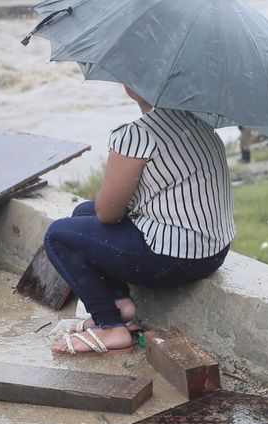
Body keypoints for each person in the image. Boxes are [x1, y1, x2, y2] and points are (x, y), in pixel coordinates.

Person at [44, 86, 236, 354]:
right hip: (213, 252)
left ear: (132, 86)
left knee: (58, 236)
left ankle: (109, 325)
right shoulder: (200, 124)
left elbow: (108, 213)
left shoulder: (137, 135)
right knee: (81, 214)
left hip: (171, 259)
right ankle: (120, 303)